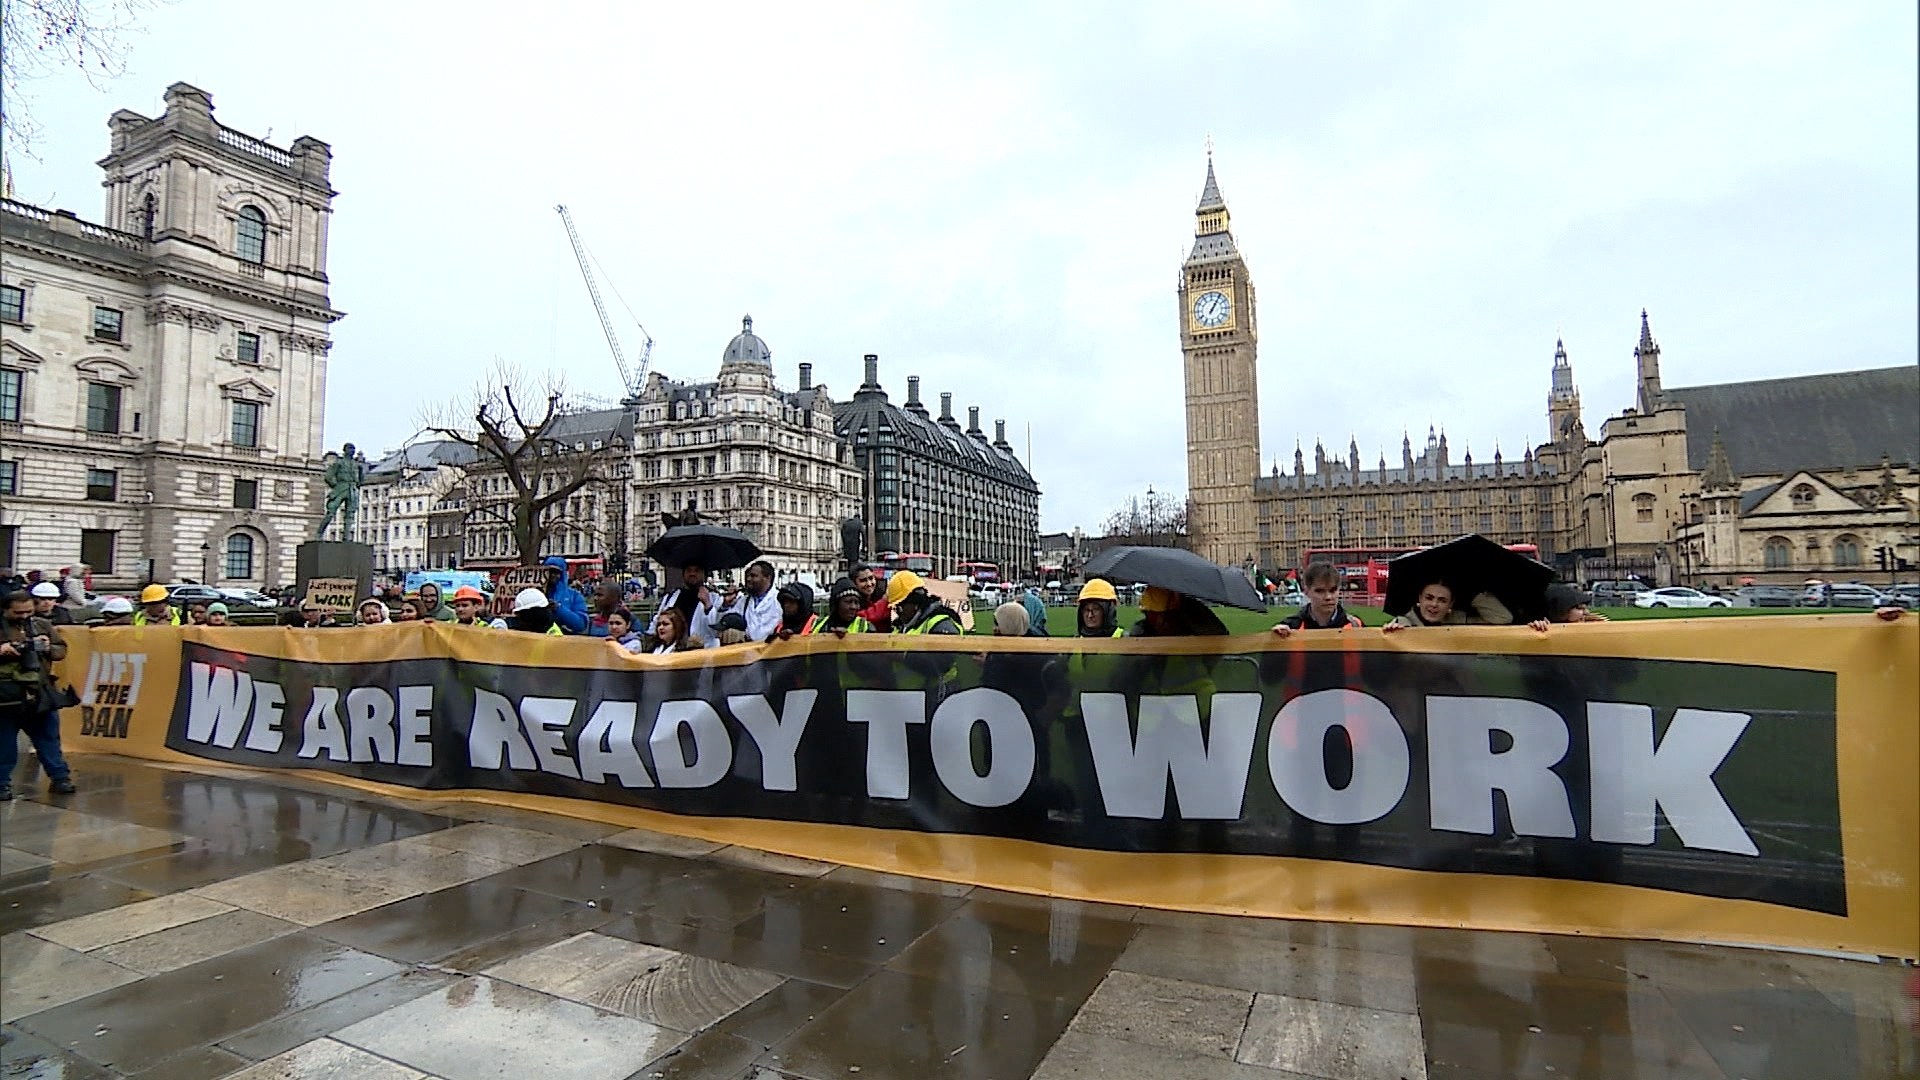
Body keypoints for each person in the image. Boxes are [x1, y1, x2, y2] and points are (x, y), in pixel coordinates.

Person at [1, 589, 75, 799]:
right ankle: (2, 784)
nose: (24, 617)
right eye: (18, 613)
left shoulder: (41, 625)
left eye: (28, 612)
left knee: (48, 739)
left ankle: (60, 778)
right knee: (4, 744)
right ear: (5, 610)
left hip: (39, 693)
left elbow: (61, 650)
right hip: (6, 697)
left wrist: (48, 647)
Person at [1382, 578, 1514, 632]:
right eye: (1429, 598)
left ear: (1451, 604)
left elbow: (1503, 618)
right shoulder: (1403, 624)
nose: (1434, 604)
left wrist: (1474, 594)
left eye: (1442, 600)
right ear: (1420, 599)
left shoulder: (1458, 620)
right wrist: (1391, 634)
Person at [1272, 562, 1362, 636]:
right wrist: (1275, 640)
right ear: (1306, 591)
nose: (1328, 597)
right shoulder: (1290, 627)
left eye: (1332, 590)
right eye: (1320, 591)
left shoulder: (1356, 625)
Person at [654, 563, 720, 649]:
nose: (692, 574)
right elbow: (657, 621)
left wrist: (708, 605)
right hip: (674, 651)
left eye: (696, 570)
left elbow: (715, 630)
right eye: (689, 570)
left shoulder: (715, 598)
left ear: (704, 574)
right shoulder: (671, 597)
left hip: (703, 651)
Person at [1128, 586, 1230, 637]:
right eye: (1147, 614)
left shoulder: (1194, 623)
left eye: (1154, 615)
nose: (1150, 618)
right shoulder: (1142, 631)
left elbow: (1220, 636)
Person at [887, 571, 963, 635]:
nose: (897, 613)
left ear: (915, 603)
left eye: (899, 608)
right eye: (895, 608)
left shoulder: (940, 624)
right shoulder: (898, 628)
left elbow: (949, 651)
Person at [728, 560, 781, 641]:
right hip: (748, 649)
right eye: (748, 575)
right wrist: (726, 604)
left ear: (767, 578)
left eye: (753, 576)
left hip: (772, 651)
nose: (748, 579)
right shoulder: (743, 601)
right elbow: (725, 621)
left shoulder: (780, 600)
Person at [1526, 584, 1612, 632]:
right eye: (1579, 608)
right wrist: (1538, 629)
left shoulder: (1592, 626)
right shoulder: (1541, 629)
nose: (1586, 612)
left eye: (1585, 608)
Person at [540, 557, 589, 634]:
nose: (552, 575)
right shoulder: (536, 593)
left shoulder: (574, 595)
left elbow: (581, 624)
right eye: (549, 572)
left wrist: (558, 609)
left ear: (562, 574)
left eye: (556, 572)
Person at [851, 564, 893, 633]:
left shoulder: (881, 594)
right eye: (863, 580)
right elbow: (859, 618)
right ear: (854, 583)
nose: (869, 584)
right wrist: (883, 603)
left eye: (871, 578)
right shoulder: (851, 601)